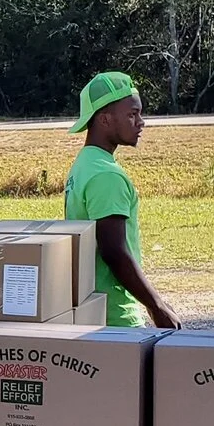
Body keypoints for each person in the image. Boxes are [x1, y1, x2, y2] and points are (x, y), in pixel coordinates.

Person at [64, 72, 181, 330]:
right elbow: (113, 251)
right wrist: (156, 306)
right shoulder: (106, 175)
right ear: (104, 119)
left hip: (92, 308)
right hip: (115, 315)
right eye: (132, 115)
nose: (141, 122)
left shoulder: (84, 164)